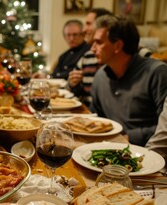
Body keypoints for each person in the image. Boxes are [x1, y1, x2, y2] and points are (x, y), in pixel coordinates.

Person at [90, 15, 167, 146]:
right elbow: (95, 119)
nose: (92, 48)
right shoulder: (100, 76)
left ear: (118, 46)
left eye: (99, 42)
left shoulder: (157, 73)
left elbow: (164, 129)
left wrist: (130, 137)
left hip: (146, 154)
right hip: (107, 149)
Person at [67, 8, 113, 105]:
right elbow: (72, 90)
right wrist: (73, 84)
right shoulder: (87, 57)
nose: (83, 30)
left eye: (88, 24)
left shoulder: (120, 54)